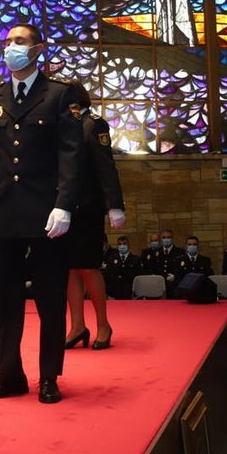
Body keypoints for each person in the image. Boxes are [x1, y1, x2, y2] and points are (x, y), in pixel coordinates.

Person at [0, 23, 81, 405]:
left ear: (37, 50)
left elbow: (71, 156)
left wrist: (64, 204)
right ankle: (9, 375)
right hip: (2, 213)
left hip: (46, 214)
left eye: (19, 42)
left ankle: (49, 377)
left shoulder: (59, 95)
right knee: (5, 299)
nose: (10, 48)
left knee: (50, 299)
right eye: (7, 42)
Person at [63, 81, 126, 351]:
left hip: (88, 207)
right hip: (63, 207)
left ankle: (103, 324)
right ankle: (77, 325)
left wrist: (115, 205)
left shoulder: (94, 124)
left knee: (88, 267)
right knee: (69, 269)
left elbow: (106, 167)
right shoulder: (61, 125)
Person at [103, 235, 143, 300]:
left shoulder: (136, 259)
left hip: (130, 292)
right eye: (120, 244)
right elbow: (107, 276)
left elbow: (138, 276)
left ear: (128, 245)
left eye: (124, 244)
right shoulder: (111, 259)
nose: (122, 246)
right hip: (114, 292)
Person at [156, 228, 186, 297]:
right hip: (159, 283)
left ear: (172, 238)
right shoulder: (156, 252)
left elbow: (182, 269)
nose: (166, 239)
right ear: (161, 239)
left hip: (173, 284)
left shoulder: (180, 252)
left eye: (168, 237)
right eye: (164, 237)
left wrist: (175, 276)